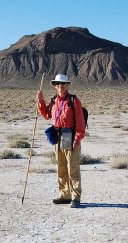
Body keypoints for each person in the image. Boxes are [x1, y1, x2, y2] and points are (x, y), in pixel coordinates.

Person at [37, 74, 86, 208]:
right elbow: (46, 115)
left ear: (68, 85)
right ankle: (64, 195)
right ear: (55, 86)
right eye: (58, 84)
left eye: (63, 84)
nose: (60, 86)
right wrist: (41, 101)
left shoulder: (73, 100)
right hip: (57, 136)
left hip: (69, 135)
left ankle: (75, 197)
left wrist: (77, 138)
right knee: (61, 167)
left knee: (72, 168)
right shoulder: (54, 100)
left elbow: (80, 121)